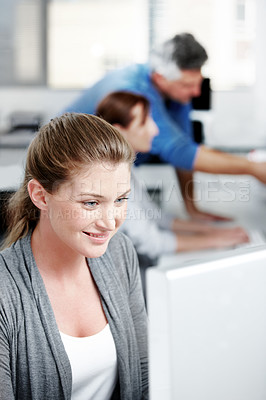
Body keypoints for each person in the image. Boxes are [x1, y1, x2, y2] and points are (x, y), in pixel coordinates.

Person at [0, 113, 148, 400]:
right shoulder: (6, 292)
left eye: (120, 199)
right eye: (91, 203)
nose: (110, 222)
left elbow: (143, 371)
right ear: (41, 196)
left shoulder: (120, 253)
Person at [63, 32, 266, 222]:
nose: (196, 92)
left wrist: (192, 209)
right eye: (188, 85)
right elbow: (180, 152)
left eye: (199, 83)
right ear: (161, 78)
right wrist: (253, 168)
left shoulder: (175, 92)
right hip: (67, 166)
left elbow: (184, 145)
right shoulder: (132, 91)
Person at [96, 91, 249, 268]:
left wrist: (207, 229)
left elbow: (156, 217)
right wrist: (214, 240)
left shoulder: (126, 168)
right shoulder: (111, 179)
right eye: (144, 122)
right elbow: (153, 243)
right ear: (118, 130)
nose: (154, 129)